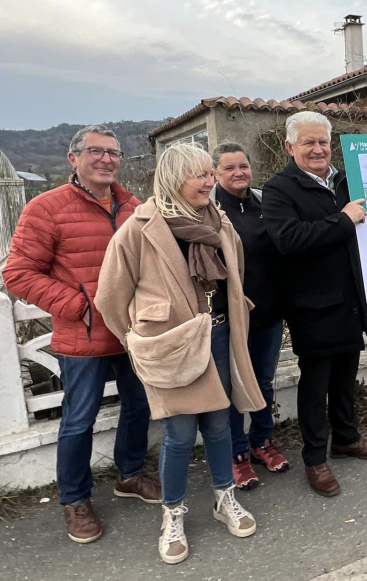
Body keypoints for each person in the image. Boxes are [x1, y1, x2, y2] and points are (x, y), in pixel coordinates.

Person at [95, 143, 266, 564]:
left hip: (221, 338)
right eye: (200, 175)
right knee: (180, 434)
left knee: (223, 425)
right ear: (174, 180)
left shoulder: (220, 223)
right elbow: (110, 299)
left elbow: (235, 276)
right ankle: (173, 513)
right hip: (173, 347)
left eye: (210, 173)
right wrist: (140, 343)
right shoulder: (139, 230)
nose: (210, 181)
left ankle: (224, 498)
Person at [2, 125, 160, 544]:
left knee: (139, 407)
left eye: (113, 152)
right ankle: (74, 499)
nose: (107, 159)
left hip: (131, 333)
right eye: (96, 151)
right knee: (78, 421)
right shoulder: (46, 207)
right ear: (74, 159)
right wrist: (80, 307)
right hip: (83, 337)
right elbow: (17, 272)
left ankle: (129, 475)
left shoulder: (134, 206)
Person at [262, 111, 367, 498]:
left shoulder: (346, 182)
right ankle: (315, 458)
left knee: (346, 376)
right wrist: (343, 220)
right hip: (313, 307)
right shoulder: (279, 189)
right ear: (290, 147)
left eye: (323, 142)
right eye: (308, 143)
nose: (318, 149)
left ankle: (346, 438)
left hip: (351, 299)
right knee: (316, 386)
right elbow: (289, 240)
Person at [210, 142, 289, 490]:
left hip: (269, 310)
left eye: (243, 166)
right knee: (230, 388)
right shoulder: (209, 209)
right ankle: (237, 453)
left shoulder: (264, 202)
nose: (239, 172)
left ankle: (262, 442)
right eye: (229, 168)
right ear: (215, 173)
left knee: (263, 381)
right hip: (229, 316)